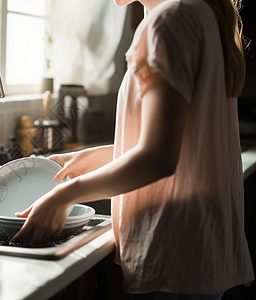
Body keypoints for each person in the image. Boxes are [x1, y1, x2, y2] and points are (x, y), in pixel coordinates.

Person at [13, 0, 255, 298]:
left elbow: (158, 159)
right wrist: (96, 158)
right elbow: (181, 142)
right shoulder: (198, 14)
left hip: (171, 253)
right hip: (196, 250)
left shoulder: (169, 22)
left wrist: (65, 195)